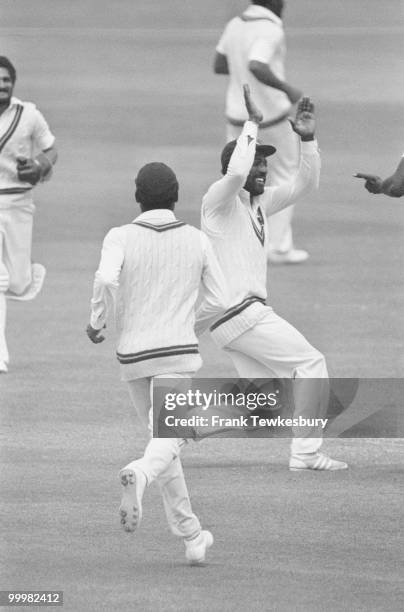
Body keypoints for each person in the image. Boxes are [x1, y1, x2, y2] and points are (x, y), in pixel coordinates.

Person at [87, 162, 229, 564]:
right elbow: (220, 299)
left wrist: (97, 319)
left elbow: (105, 279)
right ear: (176, 195)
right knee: (166, 441)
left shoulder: (119, 236)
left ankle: (192, 537)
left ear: (137, 196)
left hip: (133, 355)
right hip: (177, 352)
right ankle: (141, 473)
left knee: (164, 440)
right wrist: (190, 325)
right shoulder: (197, 240)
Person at [200, 85, 347, 471]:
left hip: (232, 319)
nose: (262, 169)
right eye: (257, 164)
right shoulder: (218, 202)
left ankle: (171, 428)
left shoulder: (259, 203)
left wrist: (309, 140)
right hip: (241, 313)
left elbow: (305, 184)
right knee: (311, 364)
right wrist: (252, 123)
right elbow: (235, 171)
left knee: (262, 406)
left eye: (265, 164)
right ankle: (306, 455)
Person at [213, 0, 309, 264]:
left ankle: (236, 242)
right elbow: (257, 64)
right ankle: (277, 247)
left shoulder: (235, 24)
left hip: (235, 114)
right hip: (270, 116)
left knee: (237, 177)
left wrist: (240, 68)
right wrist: (286, 89)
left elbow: (219, 64)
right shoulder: (271, 29)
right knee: (285, 174)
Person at [0, 56, 57, 373]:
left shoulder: (28, 114)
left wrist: (39, 166)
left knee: (18, 282)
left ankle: (23, 278)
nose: (1, 85)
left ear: (13, 83)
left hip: (20, 203)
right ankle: (0, 354)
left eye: (6, 80)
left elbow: (51, 149)